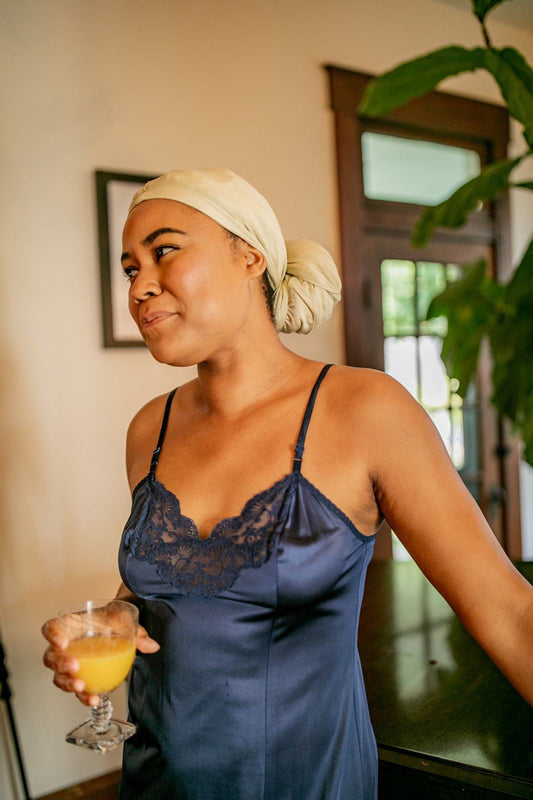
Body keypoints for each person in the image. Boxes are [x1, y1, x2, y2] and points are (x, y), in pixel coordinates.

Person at [43, 168, 533, 800]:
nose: (140, 286)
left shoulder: (365, 411)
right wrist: (119, 613)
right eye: (130, 268)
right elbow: (172, 583)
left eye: (164, 251)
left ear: (250, 256)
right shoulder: (149, 430)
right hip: (155, 784)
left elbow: (510, 613)